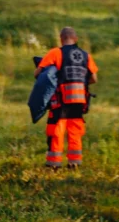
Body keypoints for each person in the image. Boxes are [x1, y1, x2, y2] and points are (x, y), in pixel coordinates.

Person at [34, 27, 98, 169]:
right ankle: (74, 163)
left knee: (56, 129)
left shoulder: (55, 52)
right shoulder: (86, 55)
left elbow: (38, 74)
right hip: (79, 99)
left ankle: (54, 164)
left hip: (60, 99)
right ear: (75, 39)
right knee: (75, 130)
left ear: (61, 39)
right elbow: (93, 78)